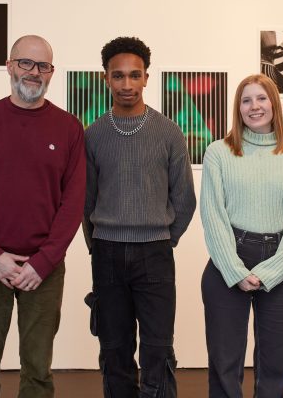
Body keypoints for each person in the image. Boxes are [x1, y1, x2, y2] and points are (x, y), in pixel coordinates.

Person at [0, 35, 86, 398]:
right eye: (26, 63)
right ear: (9, 67)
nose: (33, 72)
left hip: (44, 270)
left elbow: (72, 205)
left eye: (42, 66)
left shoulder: (69, 128)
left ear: (51, 73)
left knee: (38, 373)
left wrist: (43, 262)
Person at [83, 36, 197, 397]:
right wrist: (97, 243)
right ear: (106, 79)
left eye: (135, 75)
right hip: (107, 254)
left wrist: (163, 239)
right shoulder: (93, 135)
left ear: (148, 77)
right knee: (114, 350)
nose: (127, 84)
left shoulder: (169, 132)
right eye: (118, 76)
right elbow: (86, 202)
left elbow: (185, 199)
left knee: (158, 350)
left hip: (155, 255)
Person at [200, 74, 283, 397]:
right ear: (238, 108)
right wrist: (235, 271)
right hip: (228, 261)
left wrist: (270, 273)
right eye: (246, 100)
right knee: (225, 363)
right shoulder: (218, 153)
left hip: (281, 262)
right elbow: (213, 217)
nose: (255, 106)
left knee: (275, 365)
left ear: (274, 104)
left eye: (261, 98)